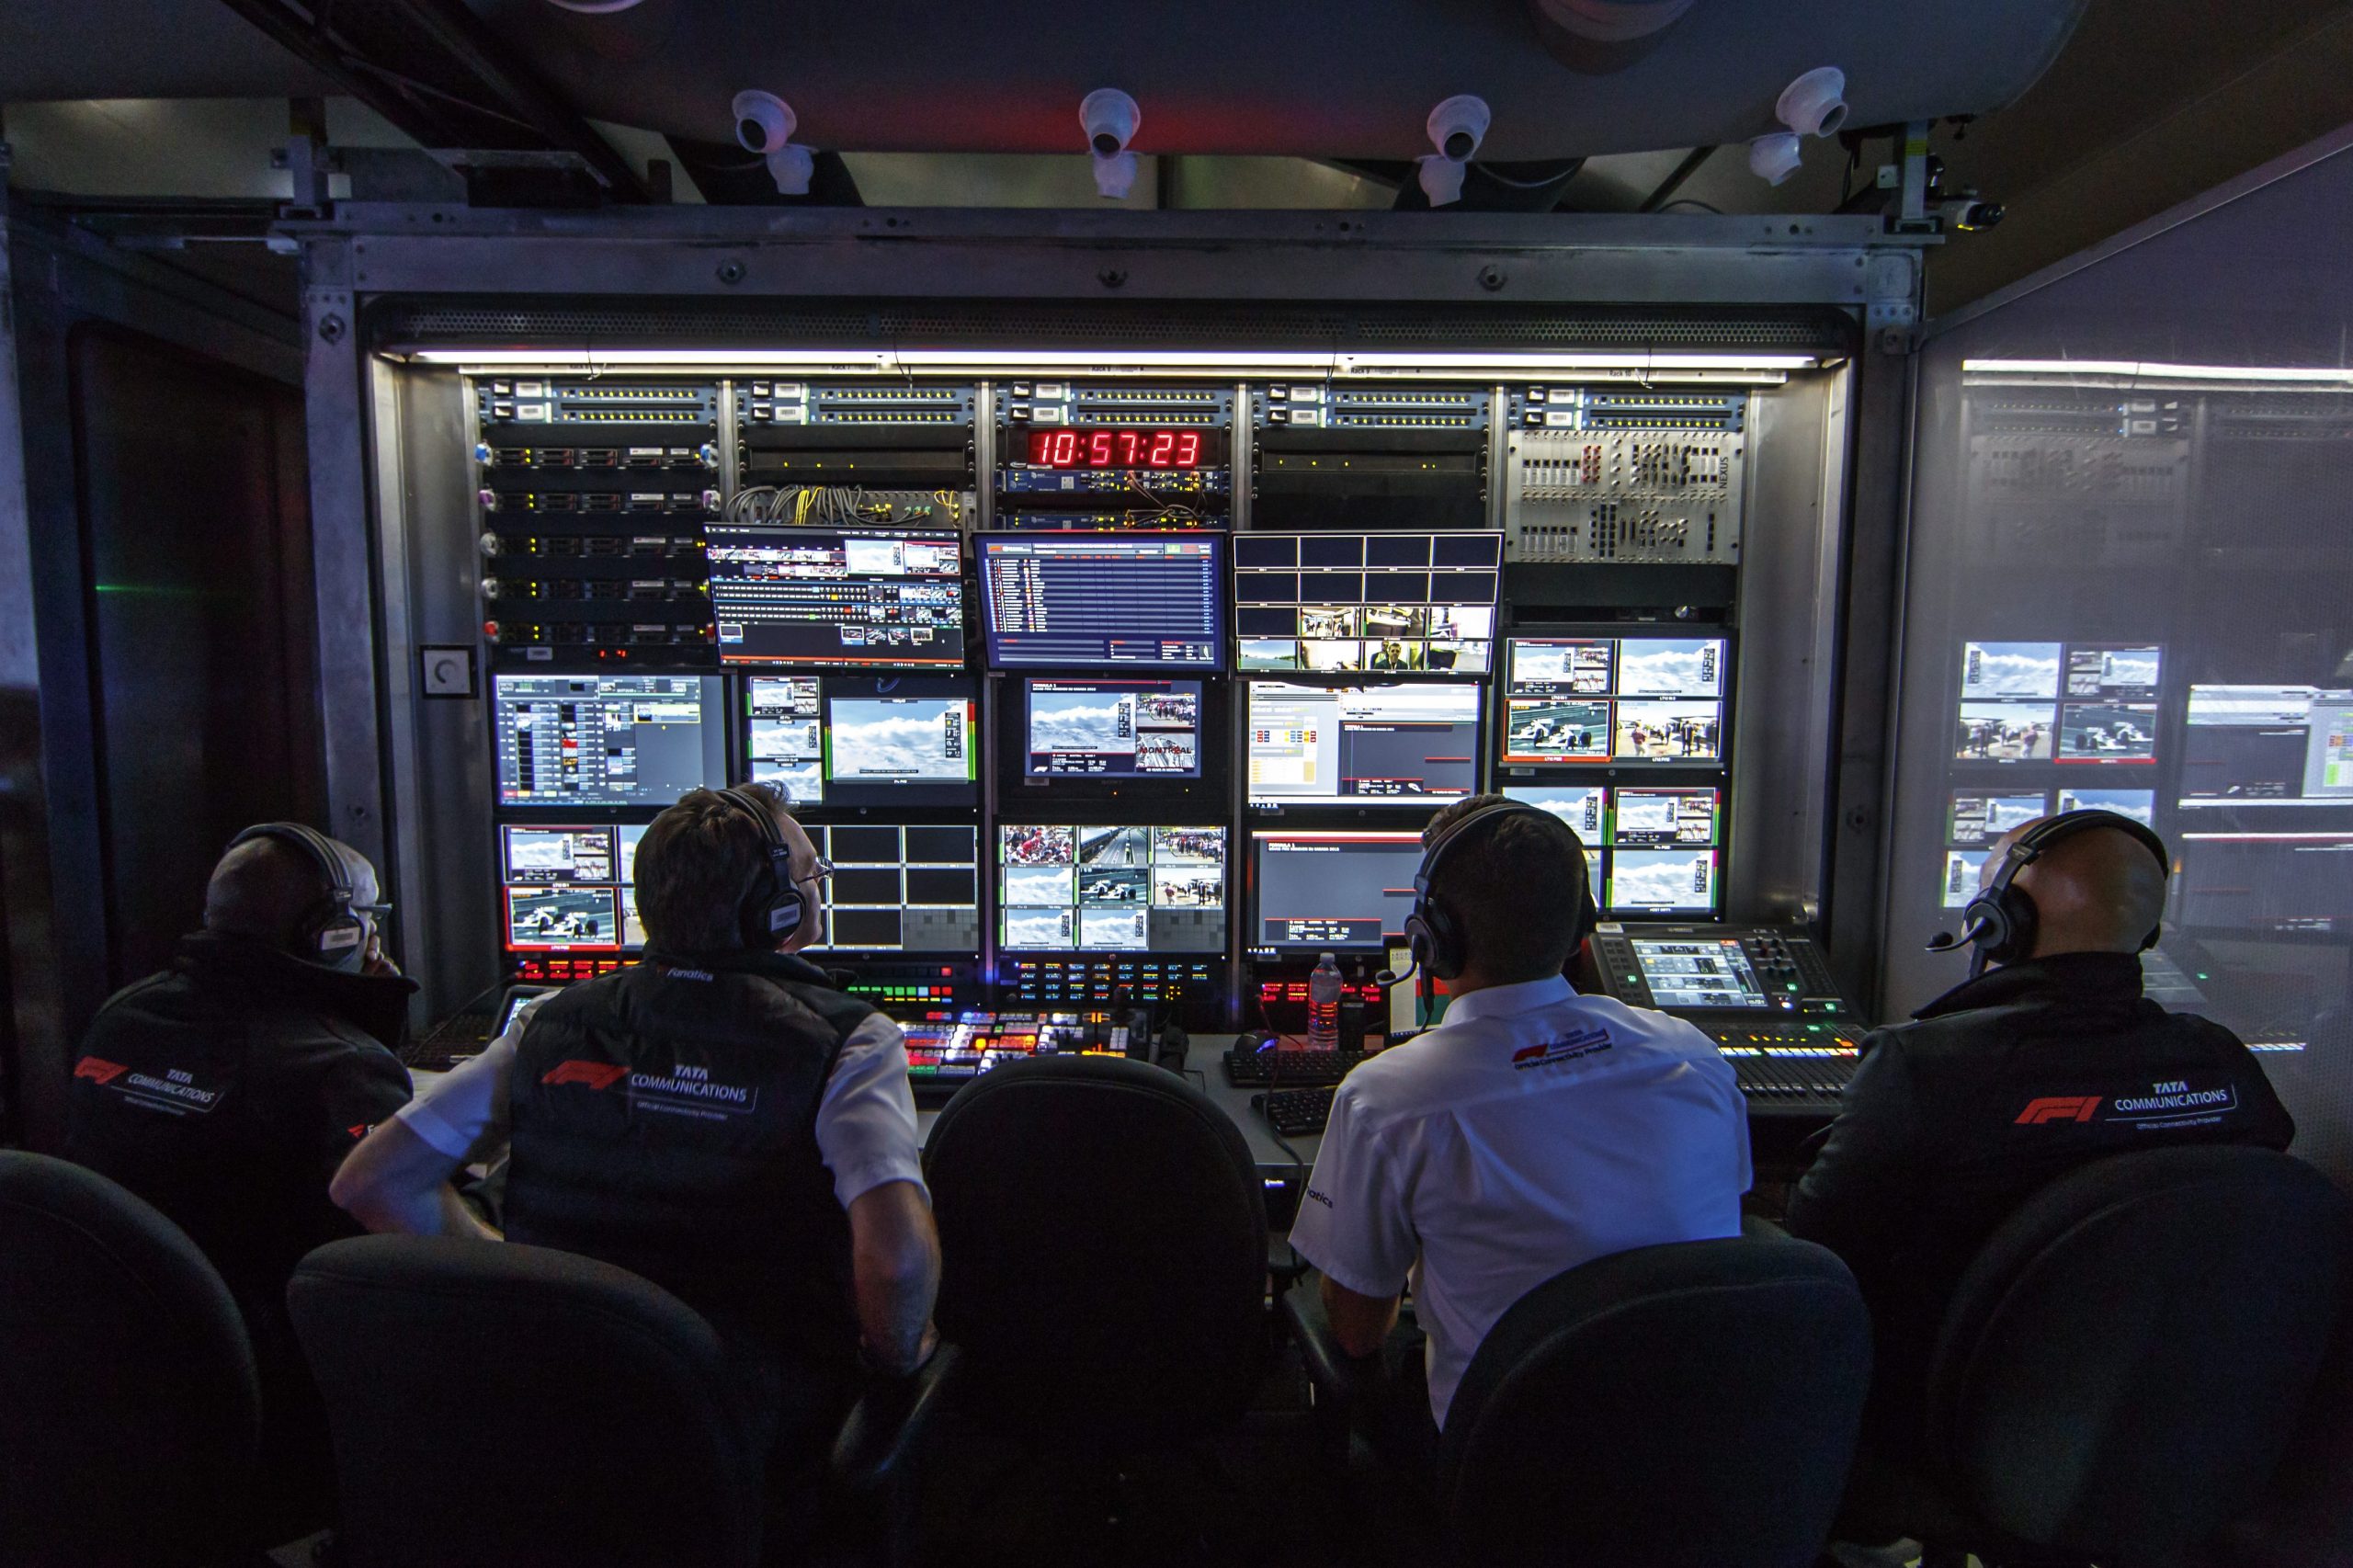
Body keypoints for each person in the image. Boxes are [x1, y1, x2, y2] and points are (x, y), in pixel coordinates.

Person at [332, 783, 939, 1483]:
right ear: (778, 909)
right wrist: (898, 1359)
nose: (817, 890)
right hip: (743, 1436)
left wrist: (514, 1278)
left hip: (550, 1416)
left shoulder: (550, 1023)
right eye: (811, 877)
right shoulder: (847, 1043)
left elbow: (373, 1182)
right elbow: (895, 1266)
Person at [1786, 811, 2295, 1473]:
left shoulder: (1925, 1067)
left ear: (2000, 921)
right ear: (2145, 932)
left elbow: (1820, 1240)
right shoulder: (2220, 1061)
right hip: (2172, 1424)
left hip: (1939, 1418)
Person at [1288, 794, 1753, 1460]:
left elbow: (1358, 1334)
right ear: (1581, 930)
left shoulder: (1389, 1099)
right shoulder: (1693, 1057)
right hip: (1701, 1451)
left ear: (1430, 940)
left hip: (1508, 1468)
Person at [64, 822, 415, 1529]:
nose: (376, 939)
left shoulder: (121, 1018)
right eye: (367, 920)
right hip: (281, 1410)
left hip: (117, 1387)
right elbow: (407, 1240)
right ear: (332, 935)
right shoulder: (340, 1068)